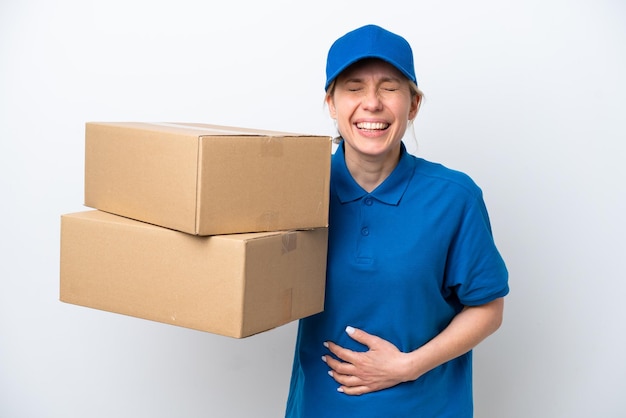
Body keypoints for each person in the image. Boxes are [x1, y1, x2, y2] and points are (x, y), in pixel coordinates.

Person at [285, 24, 509, 418]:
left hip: (426, 407)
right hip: (321, 407)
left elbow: (488, 308)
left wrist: (409, 365)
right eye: (354, 87)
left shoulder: (454, 197)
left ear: (414, 104)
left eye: (389, 87)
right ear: (331, 104)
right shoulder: (296, 193)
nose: (372, 103)